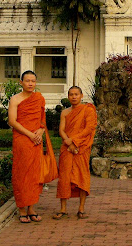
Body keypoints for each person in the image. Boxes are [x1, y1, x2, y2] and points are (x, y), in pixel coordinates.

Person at [8, 70, 56, 223]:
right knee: (22, 173)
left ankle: (31, 208)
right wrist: (30, 134)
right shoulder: (15, 100)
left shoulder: (39, 98)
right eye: (27, 80)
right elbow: (12, 121)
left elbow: (42, 119)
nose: (30, 83)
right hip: (23, 139)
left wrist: (40, 131)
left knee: (35, 174)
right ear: (21, 82)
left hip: (36, 140)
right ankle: (22, 208)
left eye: (33, 81)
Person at [53, 86, 97, 220]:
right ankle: (63, 209)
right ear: (68, 97)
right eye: (71, 94)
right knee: (64, 177)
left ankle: (81, 208)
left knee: (82, 176)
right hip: (67, 147)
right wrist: (68, 141)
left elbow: (89, 128)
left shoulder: (87, 110)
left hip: (82, 148)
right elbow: (61, 130)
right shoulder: (65, 112)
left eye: (76, 94)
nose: (74, 97)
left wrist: (74, 141)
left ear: (81, 96)